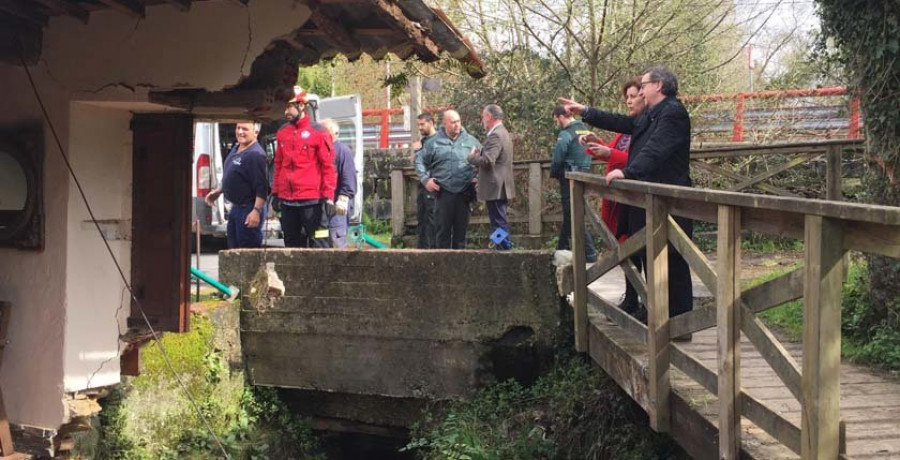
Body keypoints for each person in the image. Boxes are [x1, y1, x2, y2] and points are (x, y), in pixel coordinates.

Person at [558, 66, 694, 328]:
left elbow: (656, 150)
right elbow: (622, 122)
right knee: (648, 255)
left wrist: (628, 171)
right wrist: (586, 111)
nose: (640, 90)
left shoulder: (673, 113)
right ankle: (657, 314)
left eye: (644, 85)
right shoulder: (652, 114)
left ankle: (681, 322)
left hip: (668, 199)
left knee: (673, 259)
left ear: (659, 86)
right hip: (647, 199)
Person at [580, 77, 646, 317]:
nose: (628, 101)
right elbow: (616, 154)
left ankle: (646, 302)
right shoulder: (628, 128)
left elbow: (638, 161)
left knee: (640, 248)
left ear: (645, 95)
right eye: (626, 97)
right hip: (621, 198)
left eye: (633, 96)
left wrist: (610, 153)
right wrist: (597, 144)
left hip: (638, 197)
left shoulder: (646, 127)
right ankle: (631, 297)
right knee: (626, 246)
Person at [272, 86, 337, 248]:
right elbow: (279, 165)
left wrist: (329, 197)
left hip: (313, 202)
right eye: (284, 107)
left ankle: (321, 273)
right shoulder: (282, 133)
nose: (286, 111)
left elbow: (328, 167)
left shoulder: (319, 132)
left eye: (289, 106)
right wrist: (275, 193)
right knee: (291, 245)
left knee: (320, 242)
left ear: (301, 106)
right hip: (288, 202)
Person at [415, 110, 480, 249]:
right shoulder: (433, 142)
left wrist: (479, 178)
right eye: (452, 122)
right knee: (442, 233)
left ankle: (460, 267)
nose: (456, 125)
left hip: (464, 192)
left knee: (461, 234)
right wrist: (426, 180)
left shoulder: (471, 141)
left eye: (458, 121)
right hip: (442, 193)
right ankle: (442, 267)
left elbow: (485, 160)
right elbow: (419, 162)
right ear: (444, 124)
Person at [205, 122, 268, 249]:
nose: (240, 132)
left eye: (245, 129)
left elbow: (262, 188)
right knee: (233, 251)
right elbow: (235, 176)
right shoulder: (236, 147)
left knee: (247, 253)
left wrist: (256, 211)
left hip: (248, 209)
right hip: (236, 209)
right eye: (238, 128)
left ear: (255, 132)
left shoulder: (255, 155)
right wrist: (218, 191)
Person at [549, 106, 598, 263]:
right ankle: (561, 247)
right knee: (572, 212)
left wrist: (554, 172)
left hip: (569, 175)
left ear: (560, 117)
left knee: (572, 213)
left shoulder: (565, 133)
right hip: (584, 173)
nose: (556, 123)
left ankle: (590, 252)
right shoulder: (584, 130)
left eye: (555, 119)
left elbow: (559, 155)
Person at [467, 104, 516, 250]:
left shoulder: (496, 135)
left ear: (489, 117)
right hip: (499, 184)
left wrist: (471, 158)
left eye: (483, 116)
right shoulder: (502, 132)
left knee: (498, 220)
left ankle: (504, 248)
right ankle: (500, 245)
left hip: (496, 185)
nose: (483, 120)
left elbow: (488, 161)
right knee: (498, 219)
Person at [320, 119, 357, 249]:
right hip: (323, 204)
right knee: (321, 239)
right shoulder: (320, 150)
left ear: (333, 132)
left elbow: (349, 176)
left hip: (338, 204)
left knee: (336, 238)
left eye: (323, 130)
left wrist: (344, 197)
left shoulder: (342, 151)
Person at [411, 113, 438, 249]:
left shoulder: (439, 140)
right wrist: (416, 154)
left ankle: (434, 251)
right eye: (418, 125)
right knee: (421, 220)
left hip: (433, 184)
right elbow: (418, 162)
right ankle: (421, 250)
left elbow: (433, 161)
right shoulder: (423, 141)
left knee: (433, 221)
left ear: (431, 123)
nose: (420, 127)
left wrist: (419, 151)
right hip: (422, 185)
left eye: (422, 124)